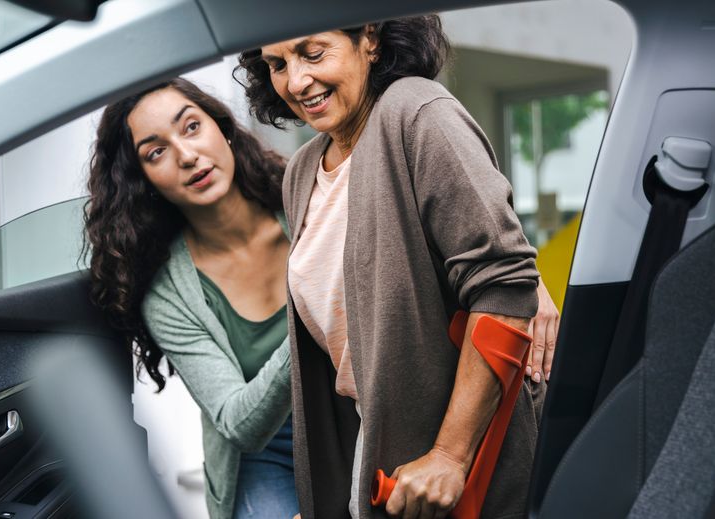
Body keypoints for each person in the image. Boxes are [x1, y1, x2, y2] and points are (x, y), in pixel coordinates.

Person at [237, 15, 557, 519]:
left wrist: (450, 456)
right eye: (277, 64)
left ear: (368, 37)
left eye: (313, 53)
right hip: (383, 455)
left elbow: (503, 286)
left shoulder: (418, 112)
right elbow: (350, 362)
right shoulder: (302, 171)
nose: (295, 81)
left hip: (467, 459)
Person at [84, 77, 298, 519]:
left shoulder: (305, 201)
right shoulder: (166, 294)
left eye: (191, 127)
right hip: (265, 454)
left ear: (222, 127)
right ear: (141, 179)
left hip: (359, 415)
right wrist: (319, 318)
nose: (186, 156)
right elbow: (241, 424)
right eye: (155, 152)